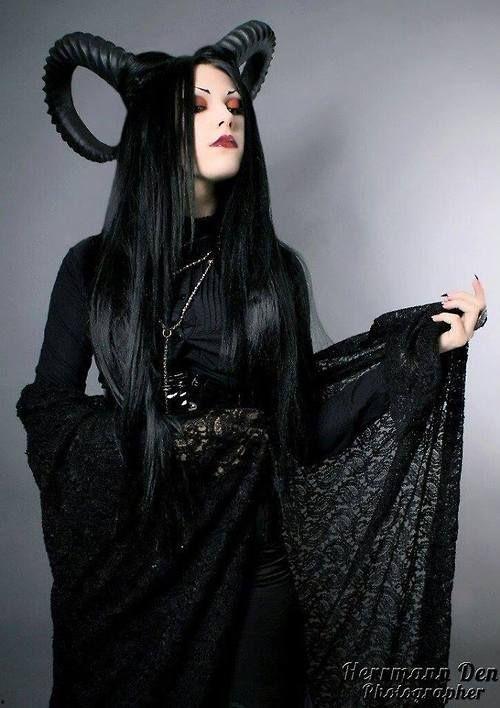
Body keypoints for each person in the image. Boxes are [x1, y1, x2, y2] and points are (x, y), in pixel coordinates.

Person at [17, 20, 487, 708]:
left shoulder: (273, 274)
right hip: (132, 573)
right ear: (152, 132)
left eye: (235, 105)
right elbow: (49, 419)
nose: (226, 118)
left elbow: (301, 431)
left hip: (251, 567)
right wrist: (169, 437)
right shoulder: (93, 269)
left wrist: (418, 354)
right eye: (199, 105)